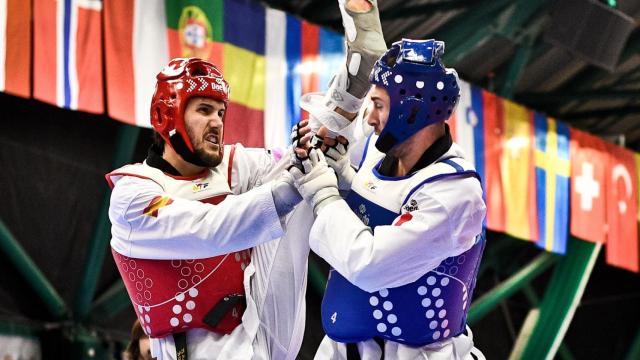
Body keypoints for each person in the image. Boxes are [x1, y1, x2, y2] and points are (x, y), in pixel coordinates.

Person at [105, 0, 386, 358]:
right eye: (204, 110)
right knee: (286, 188)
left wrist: (315, 149)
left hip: (265, 334)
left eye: (221, 112)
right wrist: (289, 185)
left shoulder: (236, 165)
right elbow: (209, 228)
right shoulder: (133, 194)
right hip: (200, 350)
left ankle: (356, 76)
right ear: (166, 115)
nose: (217, 122)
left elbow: (292, 164)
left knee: (303, 165)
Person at [292, 39, 487, 359]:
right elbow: (382, 204)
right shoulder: (376, 151)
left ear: (412, 111)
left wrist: (324, 193)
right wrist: (341, 175)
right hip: (341, 348)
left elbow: (370, 264)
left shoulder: (455, 192)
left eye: (380, 106)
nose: (370, 118)